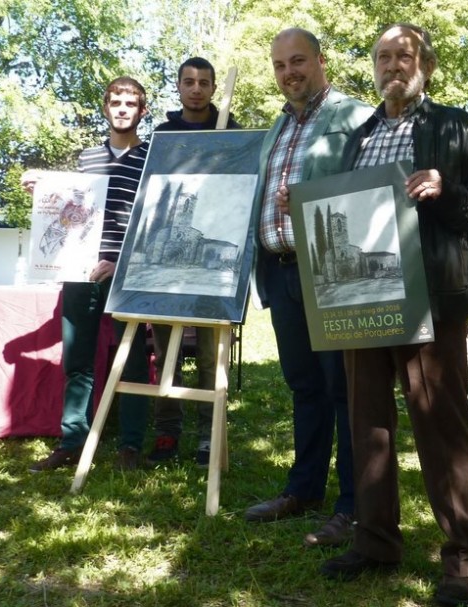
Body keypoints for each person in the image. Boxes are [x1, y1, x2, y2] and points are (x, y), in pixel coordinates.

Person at [319, 24, 468, 607]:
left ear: (424, 63)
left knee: (442, 426)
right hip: (363, 298)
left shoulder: (455, 126)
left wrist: (445, 188)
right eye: (383, 57)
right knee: (367, 423)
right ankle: (376, 542)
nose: (392, 65)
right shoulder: (361, 135)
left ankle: (463, 563)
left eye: (403, 56)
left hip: (432, 297)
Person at [245, 28, 374, 547]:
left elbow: (374, 188)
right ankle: (304, 490)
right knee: (305, 386)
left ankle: (354, 505)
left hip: (330, 271)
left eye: (298, 61)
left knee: (346, 390)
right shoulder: (276, 126)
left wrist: (310, 198)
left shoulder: (355, 116)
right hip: (280, 271)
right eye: (279, 65)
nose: (288, 72)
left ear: (321, 60)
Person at [26, 76, 153, 473]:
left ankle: (130, 446)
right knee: (77, 359)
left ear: (142, 111)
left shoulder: (152, 158)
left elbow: (152, 220)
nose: (121, 109)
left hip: (125, 271)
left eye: (130, 103)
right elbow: (70, 212)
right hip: (80, 271)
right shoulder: (86, 161)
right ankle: (72, 442)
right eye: (115, 102)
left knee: (132, 360)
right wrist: (42, 192)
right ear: (105, 107)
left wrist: (123, 261)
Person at [143, 57, 241, 469]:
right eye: (189, 82)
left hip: (213, 250)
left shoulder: (233, 133)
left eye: (204, 82)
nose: (196, 89)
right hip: (167, 265)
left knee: (207, 355)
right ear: (179, 87)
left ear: (214, 87)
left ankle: (207, 434)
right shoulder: (164, 136)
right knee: (166, 353)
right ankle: (168, 431)